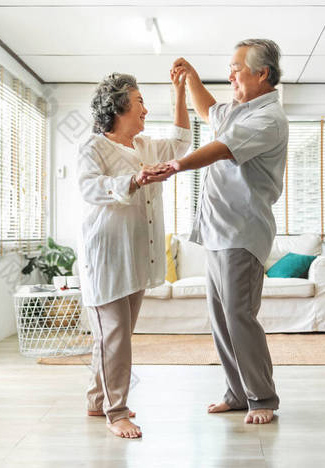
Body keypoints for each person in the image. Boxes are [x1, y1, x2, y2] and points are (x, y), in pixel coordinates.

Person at [156, 39, 287, 425]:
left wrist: (176, 165)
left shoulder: (267, 119)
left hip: (242, 232)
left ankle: (262, 396)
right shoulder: (239, 110)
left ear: (262, 74)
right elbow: (209, 111)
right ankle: (236, 392)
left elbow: (222, 148)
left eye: (237, 68)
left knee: (238, 315)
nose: (231, 74)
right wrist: (191, 77)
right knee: (221, 316)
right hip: (218, 231)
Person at [77, 71, 190, 439]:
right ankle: (117, 411)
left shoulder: (142, 146)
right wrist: (135, 180)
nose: (145, 109)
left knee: (114, 337)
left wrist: (179, 91)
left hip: (137, 256)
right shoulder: (93, 147)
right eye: (140, 102)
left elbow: (180, 143)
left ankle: (98, 400)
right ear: (119, 108)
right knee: (114, 337)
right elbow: (90, 188)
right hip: (107, 257)